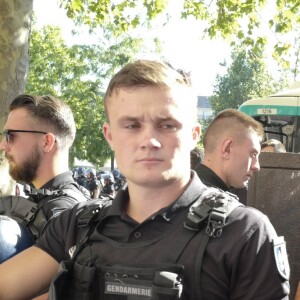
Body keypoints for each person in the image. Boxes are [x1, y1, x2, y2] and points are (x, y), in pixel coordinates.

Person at [0, 60, 289, 299]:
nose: (149, 140)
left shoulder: (245, 234)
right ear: (109, 135)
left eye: (167, 125)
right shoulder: (76, 225)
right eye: (131, 125)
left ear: (193, 135)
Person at [0, 94, 88, 242]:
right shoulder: (46, 201)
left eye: (10, 135)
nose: (2, 145)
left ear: (47, 142)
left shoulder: (63, 213)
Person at [194, 109, 264, 205]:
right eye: (253, 155)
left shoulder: (176, 194)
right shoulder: (231, 213)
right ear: (227, 149)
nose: (256, 166)